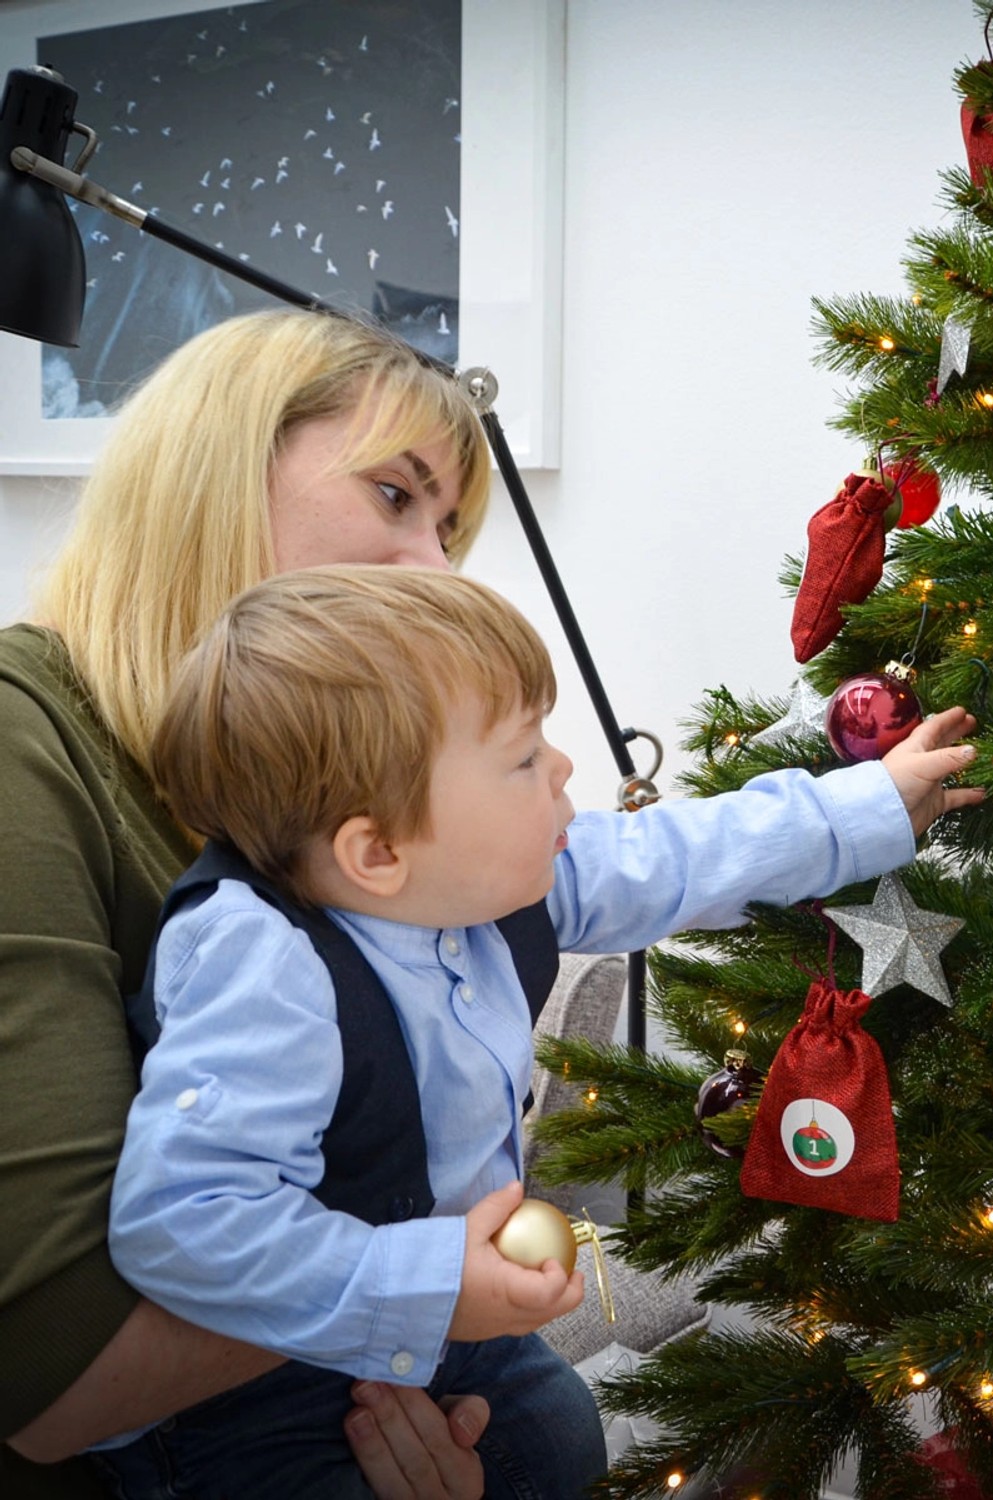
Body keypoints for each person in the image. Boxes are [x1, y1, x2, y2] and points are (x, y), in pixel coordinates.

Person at [91, 563, 981, 1499]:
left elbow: (668, 858)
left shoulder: (481, 878)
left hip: (446, 1329)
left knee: (556, 1437)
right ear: (378, 850)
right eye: (522, 757)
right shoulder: (261, 962)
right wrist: (428, 1286)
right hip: (264, 1391)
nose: (561, 769)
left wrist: (873, 804)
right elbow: (183, 1224)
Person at [1, 307, 525, 1500]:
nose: (434, 570)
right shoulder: (23, 746)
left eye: (449, 531)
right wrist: (437, 1270)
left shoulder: (317, 804)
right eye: (397, 496)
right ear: (218, 474)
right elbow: (57, 1373)